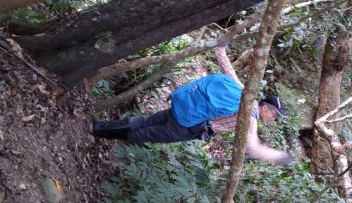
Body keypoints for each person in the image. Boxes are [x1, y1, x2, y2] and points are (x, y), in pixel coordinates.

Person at [91, 47, 295, 165]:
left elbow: (225, 66)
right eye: (274, 114)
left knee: (144, 122)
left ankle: (100, 127)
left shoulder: (244, 90)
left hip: (182, 107)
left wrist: (220, 46)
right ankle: (99, 133)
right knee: (146, 134)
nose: (272, 118)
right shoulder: (250, 119)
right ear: (266, 108)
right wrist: (280, 156)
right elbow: (253, 146)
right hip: (190, 124)